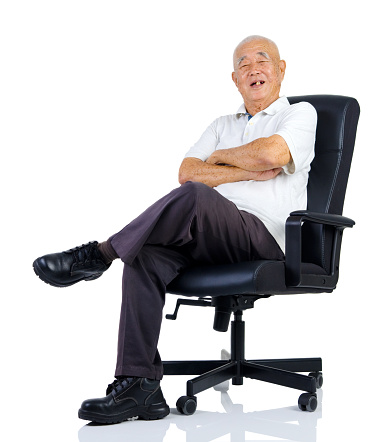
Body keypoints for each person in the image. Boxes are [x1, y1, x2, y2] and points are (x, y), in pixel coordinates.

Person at [33, 35, 317, 424]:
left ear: (280, 69)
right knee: (145, 255)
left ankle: (99, 255)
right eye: (243, 64)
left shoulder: (299, 115)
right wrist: (238, 165)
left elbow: (272, 153)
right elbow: (186, 172)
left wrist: (217, 164)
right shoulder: (221, 125)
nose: (253, 68)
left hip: (263, 238)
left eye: (262, 60)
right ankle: (140, 386)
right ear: (234, 79)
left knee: (198, 196)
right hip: (207, 232)